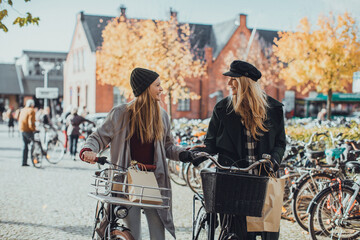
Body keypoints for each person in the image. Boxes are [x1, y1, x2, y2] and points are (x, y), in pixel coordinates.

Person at [79, 67, 195, 240]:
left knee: (158, 235)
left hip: (154, 181)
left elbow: (168, 146)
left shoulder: (162, 116)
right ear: (146, 88)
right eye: (157, 85)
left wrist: (184, 154)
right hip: (126, 181)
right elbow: (98, 137)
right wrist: (88, 150)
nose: (161, 89)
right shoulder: (121, 113)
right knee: (132, 234)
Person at [188, 60, 286, 240]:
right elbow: (210, 143)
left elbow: (280, 143)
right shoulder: (222, 109)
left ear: (245, 82)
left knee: (268, 233)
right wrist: (193, 155)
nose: (228, 83)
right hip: (233, 185)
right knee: (237, 235)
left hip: (263, 181)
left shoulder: (274, 109)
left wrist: (274, 159)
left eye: (233, 79)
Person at [18, 99, 36, 167]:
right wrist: (34, 129)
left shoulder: (23, 109)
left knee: (25, 146)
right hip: (28, 130)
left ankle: (24, 161)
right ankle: (34, 161)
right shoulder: (31, 111)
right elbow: (30, 122)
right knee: (33, 145)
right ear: (32, 105)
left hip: (22, 129)